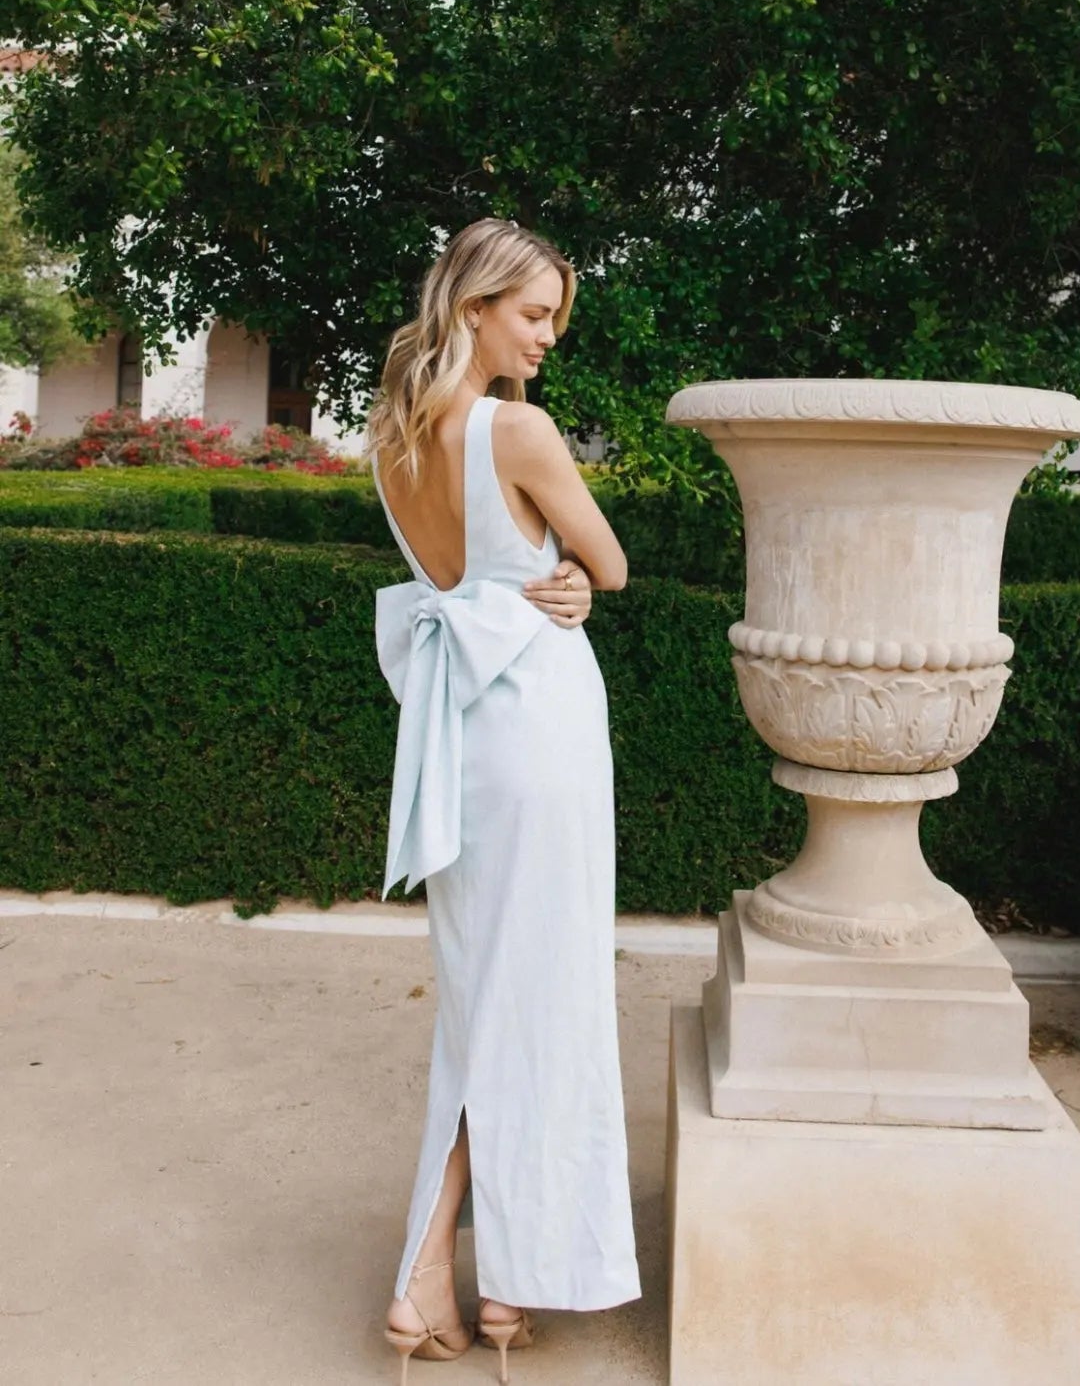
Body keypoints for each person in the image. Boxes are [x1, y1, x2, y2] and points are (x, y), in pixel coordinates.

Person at [363, 217, 641, 1383]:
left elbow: (467, 571)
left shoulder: (390, 434)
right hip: (537, 718)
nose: (547, 336)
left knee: (485, 1005)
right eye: (533, 313)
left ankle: (469, 1277)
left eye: (555, 318)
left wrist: (554, 572)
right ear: (473, 305)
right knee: (544, 1001)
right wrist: (578, 576)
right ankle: (474, 1272)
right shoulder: (517, 429)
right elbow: (610, 561)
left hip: (457, 733)